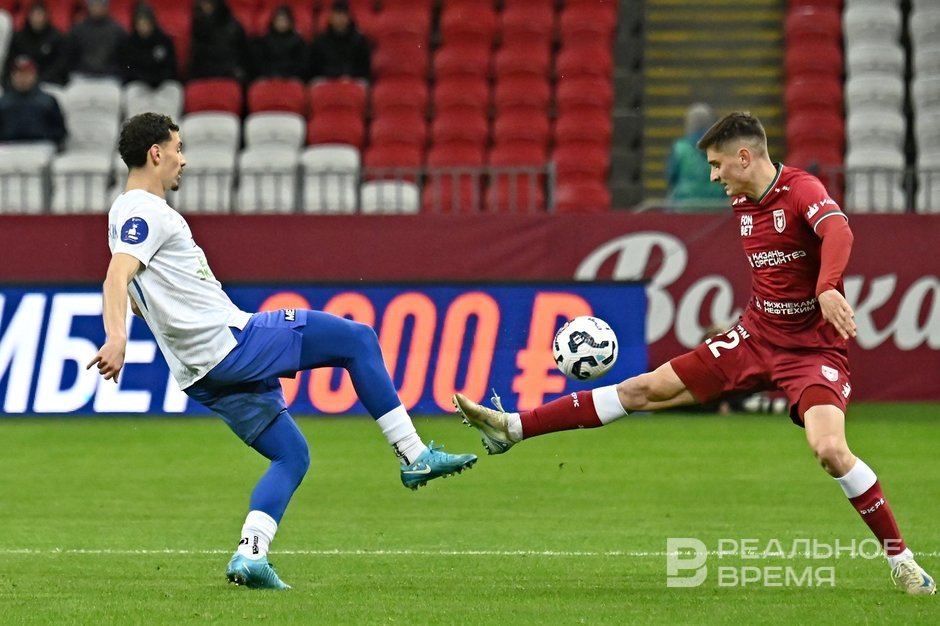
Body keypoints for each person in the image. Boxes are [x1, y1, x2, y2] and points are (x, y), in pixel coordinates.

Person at [454, 112, 936, 596]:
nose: (712, 176)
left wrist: (827, 286)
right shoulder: (742, 202)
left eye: (716, 164)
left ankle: (902, 561)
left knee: (830, 450)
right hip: (753, 338)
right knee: (642, 390)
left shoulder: (801, 190)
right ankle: (512, 428)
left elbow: (839, 232)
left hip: (812, 352)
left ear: (744, 157)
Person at [87, 113, 477, 590]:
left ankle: (250, 554)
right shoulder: (145, 211)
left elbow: (138, 293)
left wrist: (166, 326)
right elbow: (117, 277)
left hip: (199, 373)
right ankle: (413, 454)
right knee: (358, 340)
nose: (183, 159)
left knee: (292, 454)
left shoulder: (120, 215)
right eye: (178, 148)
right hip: (233, 343)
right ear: (156, 153)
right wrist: (116, 338)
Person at [665, 103, 728, 212]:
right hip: (717, 206)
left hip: (684, 206)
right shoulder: (722, 148)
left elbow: (671, 177)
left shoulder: (679, 148)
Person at [0, 55, 66, 144]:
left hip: (41, 147)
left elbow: (60, 131)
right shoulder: (3, 103)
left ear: (34, 76)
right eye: (18, 74)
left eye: (27, 74)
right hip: (8, 147)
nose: (22, 78)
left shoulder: (48, 101)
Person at [4, 1, 68, 86]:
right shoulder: (19, 37)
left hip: (48, 82)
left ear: (46, 17)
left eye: (40, 15)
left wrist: (39, 79)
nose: (37, 19)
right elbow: (10, 62)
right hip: (20, 83)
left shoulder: (56, 38)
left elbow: (59, 65)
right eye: (33, 15)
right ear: (28, 16)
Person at [307, 0, 371, 82]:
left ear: (349, 17)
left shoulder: (359, 41)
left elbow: (364, 68)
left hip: (352, 80)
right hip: (326, 80)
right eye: (337, 15)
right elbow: (314, 68)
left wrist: (349, 76)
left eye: (343, 15)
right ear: (330, 17)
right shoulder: (320, 41)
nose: (340, 19)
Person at [189, 0, 250, 82]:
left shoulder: (234, 28)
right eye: (202, 4)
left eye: (208, 4)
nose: (205, 7)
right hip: (204, 74)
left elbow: (244, 57)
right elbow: (197, 59)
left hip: (230, 73)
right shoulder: (198, 27)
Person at [66, 0, 127, 80]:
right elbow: (70, 57)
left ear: (107, 7)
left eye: (101, 4)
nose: (97, 8)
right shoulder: (77, 30)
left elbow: (123, 59)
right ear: (88, 6)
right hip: (81, 76)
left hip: (110, 77)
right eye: (94, 4)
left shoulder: (117, 31)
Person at [120, 4, 177, 88]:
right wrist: (142, 78)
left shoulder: (164, 41)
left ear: (153, 23)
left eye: (146, 23)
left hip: (162, 83)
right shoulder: (129, 42)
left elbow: (171, 67)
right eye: (140, 24)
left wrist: (157, 79)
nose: (143, 27)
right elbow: (128, 68)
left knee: (174, 88)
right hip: (138, 84)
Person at [250, 4, 307, 80]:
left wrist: (289, 75)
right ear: (273, 21)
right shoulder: (264, 41)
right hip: (268, 78)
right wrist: (269, 74)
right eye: (278, 20)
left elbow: (302, 64)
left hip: (291, 78)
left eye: (284, 21)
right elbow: (259, 62)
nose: (281, 23)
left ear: (290, 22)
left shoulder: (298, 42)